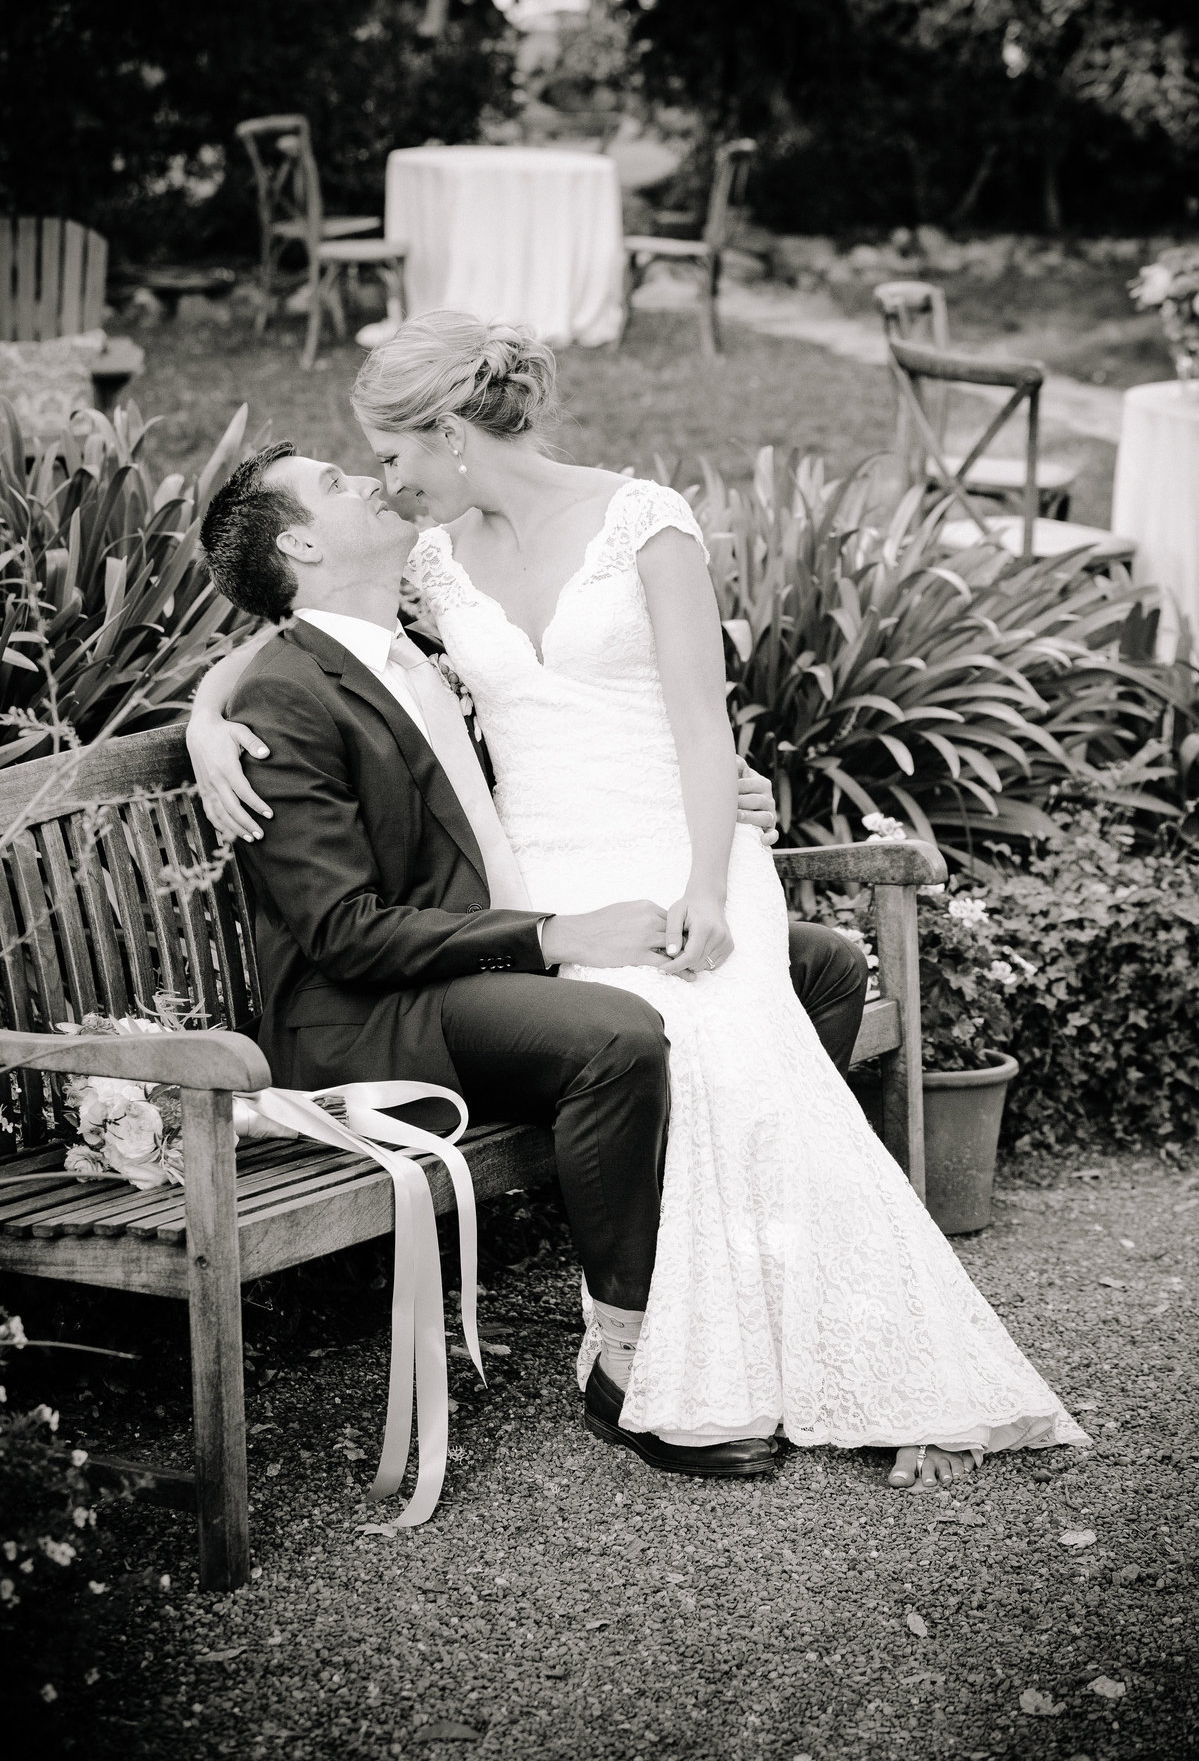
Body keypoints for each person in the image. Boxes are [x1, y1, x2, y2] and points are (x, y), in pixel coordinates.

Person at [194, 313, 1088, 1489]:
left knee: (753, 991)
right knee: (670, 1031)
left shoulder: (629, 524)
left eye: (388, 452)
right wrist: (209, 720)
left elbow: (698, 725)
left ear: (448, 434)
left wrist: (709, 869)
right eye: (359, 469)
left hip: (672, 855)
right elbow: (292, 633)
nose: (381, 476)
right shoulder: (429, 557)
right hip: (540, 887)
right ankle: (653, 1342)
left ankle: (825, 1338)